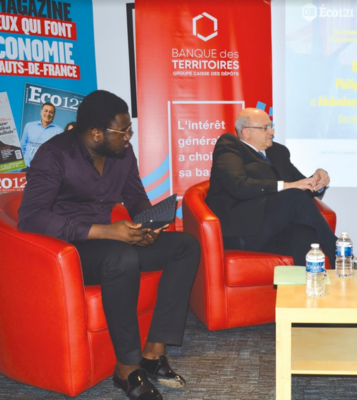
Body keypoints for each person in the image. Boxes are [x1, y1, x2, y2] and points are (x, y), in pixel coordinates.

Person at [18, 90, 200, 400]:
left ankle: (153, 354)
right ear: (96, 133)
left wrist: (147, 226)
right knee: (122, 257)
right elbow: (31, 218)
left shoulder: (123, 155)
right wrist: (106, 231)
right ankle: (127, 369)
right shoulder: (54, 155)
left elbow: (135, 196)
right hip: (68, 251)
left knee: (185, 245)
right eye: (124, 130)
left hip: (111, 240)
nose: (129, 137)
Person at [205, 107, 337, 265]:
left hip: (272, 231)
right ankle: (339, 254)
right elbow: (238, 186)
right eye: (265, 128)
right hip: (242, 231)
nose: (271, 132)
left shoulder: (278, 152)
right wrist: (287, 186)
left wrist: (317, 179)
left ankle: (305, 287)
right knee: (294, 196)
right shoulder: (230, 146)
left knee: (305, 234)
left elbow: (301, 185)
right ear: (246, 131)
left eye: (271, 126)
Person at [20, 101, 63, 167]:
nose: (48, 114)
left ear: (54, 114)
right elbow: (22, 147)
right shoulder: (29, 126)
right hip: (27, 168)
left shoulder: (59, 131)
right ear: (41, 112)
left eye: (51, 112)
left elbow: (59, 154)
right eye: (46, 111)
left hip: (45, 171)